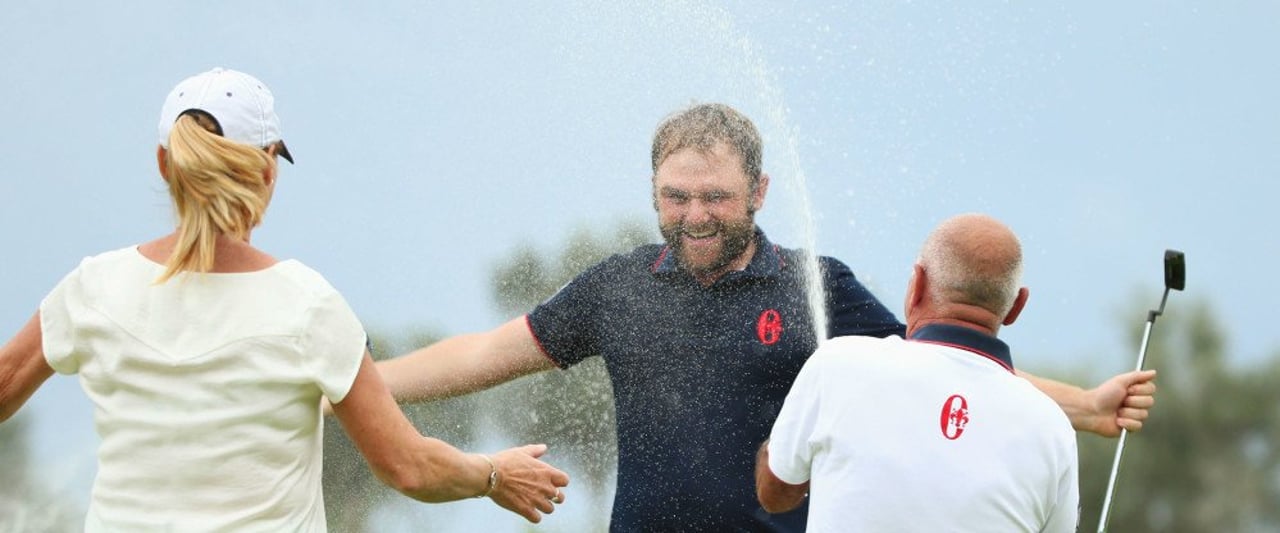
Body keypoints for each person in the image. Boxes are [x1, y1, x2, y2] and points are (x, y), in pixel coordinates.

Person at [374, 103, 1155, 531]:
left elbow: (952, 368)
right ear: (653, 192)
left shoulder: (816, 287)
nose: (694, 215)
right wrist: (358, 382)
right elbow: (485, 352)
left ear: (759, 193)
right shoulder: (616, 287)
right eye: (676, 197)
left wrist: (1083, 406)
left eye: (715, 197)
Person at [0, 67, 569, 531]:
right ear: (268, 170)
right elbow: (409, 467)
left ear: (164, 164)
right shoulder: (305, 306)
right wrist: (494, 474)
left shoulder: (93, 288)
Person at [757, 213, 1078, 532]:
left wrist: (785, 438)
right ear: (1017, 306)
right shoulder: (1053, 428)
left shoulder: (837, 363)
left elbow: (776, 495)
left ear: (917, 284)